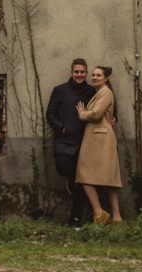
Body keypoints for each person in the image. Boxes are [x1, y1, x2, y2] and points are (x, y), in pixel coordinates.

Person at [46, 58, 95, 225]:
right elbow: (50, 114)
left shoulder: (91, 91)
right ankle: (73, 181)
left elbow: (104, 104)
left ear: (86, 73)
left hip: (84, 143)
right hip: (63, 142)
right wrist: (61, 128)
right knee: (64, 168)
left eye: (82, 72)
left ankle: (75, 217)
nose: (79, 75)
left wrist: (113, 117)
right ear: (71, 72)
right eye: (76, 72)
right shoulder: (60, 90)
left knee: (80, 180)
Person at [75, 65, 123, 224]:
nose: (94, 77)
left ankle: (99, 213)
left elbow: (96, 114)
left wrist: (82, 114)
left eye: (98, 75)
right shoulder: (101, 92)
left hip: (100, 138)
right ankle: (114, 217)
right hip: (98, 138)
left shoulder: (106, 92)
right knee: (108, 178)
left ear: (106, 78)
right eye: (93, 75)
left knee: (85, 174)